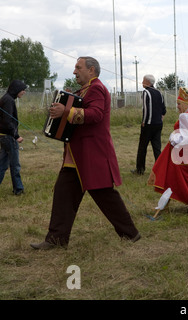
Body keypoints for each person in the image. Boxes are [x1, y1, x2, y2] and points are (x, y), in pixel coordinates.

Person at [30, 56, 140, 250]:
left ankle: (131, 234)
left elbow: (95, 114)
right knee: (63, 196)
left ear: (91, 70)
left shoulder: (96, 88)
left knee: (106, 196)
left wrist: (66, 111)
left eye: (78, 67)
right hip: (76, 157)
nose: (74, 71)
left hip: (92, 155)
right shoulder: (85, 90)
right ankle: (56, 239)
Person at [147, 87, 188, 206]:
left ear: (186, 104)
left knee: (171, 173)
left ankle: (170, 197)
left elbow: (185, 137)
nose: (177, 106)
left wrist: (173, 139)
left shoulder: (185, 116)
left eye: (179, 103)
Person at [131, 74, 166, 175]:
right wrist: (160, 119)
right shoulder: (159, 92)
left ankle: (140, 170)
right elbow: (164, 110)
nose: (142, 82)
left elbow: (146, 108)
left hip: (148, 124)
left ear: (147, 82)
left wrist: (144, 121)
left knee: (142, 147)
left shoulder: (146, 92)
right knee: (157, 148)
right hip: (158, 124)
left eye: (143, 80)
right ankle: (160, 170)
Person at [0, 80, 27, 196]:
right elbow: (7, 121)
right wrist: (16, 136)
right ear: (16, 90)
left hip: (3, 136)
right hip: (9, 137)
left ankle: (18, 188)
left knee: (2, 165)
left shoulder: (6, 99)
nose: (24, 92)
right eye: (22, 90)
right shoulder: (8, 101)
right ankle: (18, 189)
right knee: (15, 165)